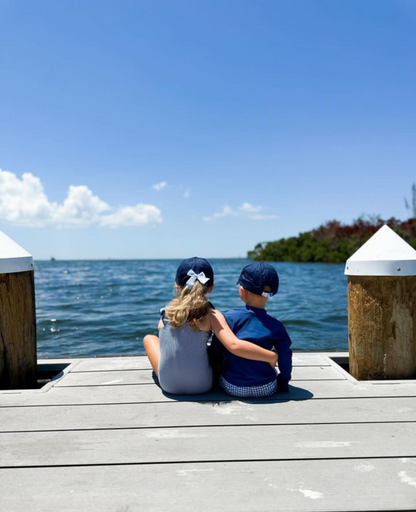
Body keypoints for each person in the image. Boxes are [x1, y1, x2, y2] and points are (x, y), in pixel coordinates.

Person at [143, 257, 278, 395]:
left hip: (169, 385)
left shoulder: (167, 312)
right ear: (211, 288)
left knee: (149, 338)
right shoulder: (212, 314)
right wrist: (271, 356)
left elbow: (165, 335)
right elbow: (234, 346)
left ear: (177, 286)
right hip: (202, 385)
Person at [210, 261, 292, 397]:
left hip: (233, 386)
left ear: (242, 291)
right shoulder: (277, 325)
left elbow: (216, 353)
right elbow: (285, 358)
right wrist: (283, 383)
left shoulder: (229, 318)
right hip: (266, 388)